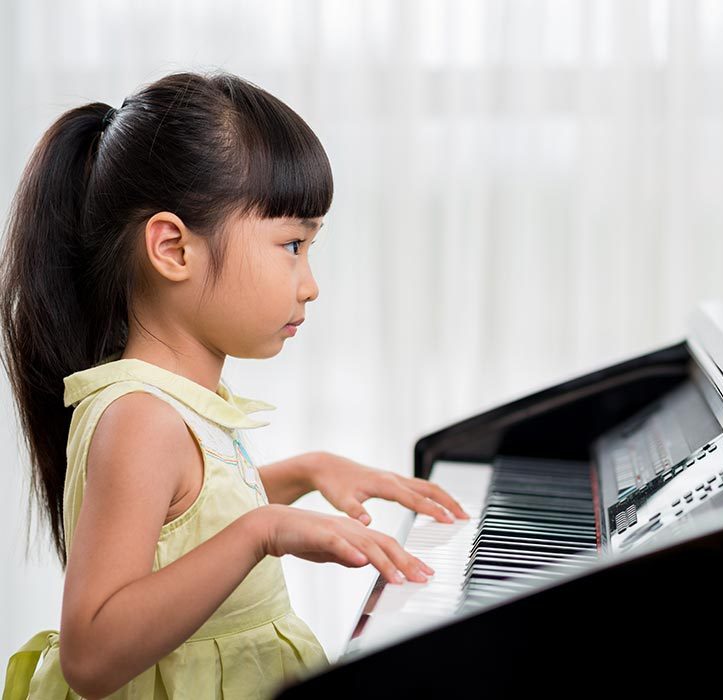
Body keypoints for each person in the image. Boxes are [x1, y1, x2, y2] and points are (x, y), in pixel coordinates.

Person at [0, 70, 470, 700]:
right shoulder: (141, 417)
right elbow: (91, 653)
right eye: (293, 244)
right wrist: (264, 531)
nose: (310, 284)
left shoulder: (174, 403)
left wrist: (304, 471)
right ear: (173, 249)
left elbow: (184, 523)